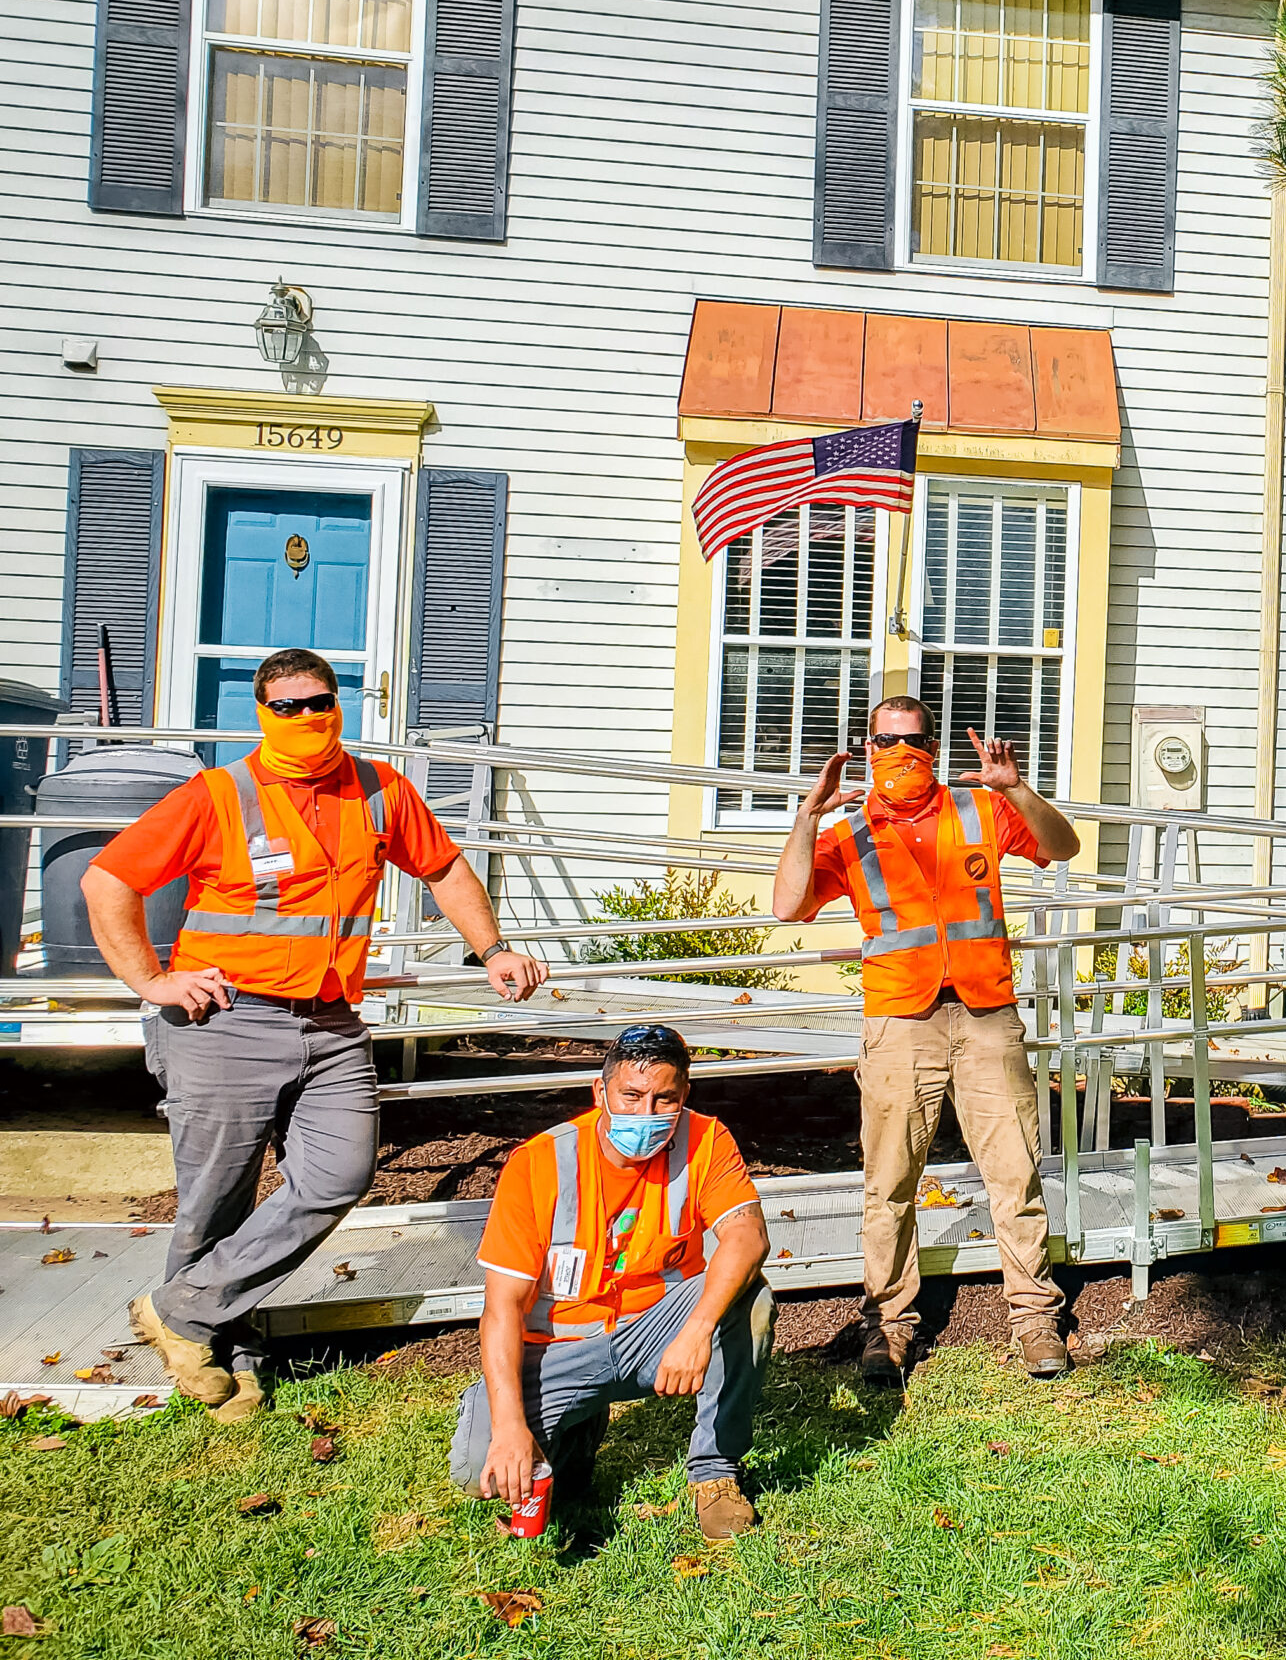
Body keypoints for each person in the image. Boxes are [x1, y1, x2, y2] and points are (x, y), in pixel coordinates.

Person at [84, 648, 545, 1422]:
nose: (307, 718)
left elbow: (447, 870)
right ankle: (234, 1358)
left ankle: (181, 1312)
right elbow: (108, 880)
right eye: (288, 707)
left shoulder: (379, 790)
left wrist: (493, 947)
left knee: (337, 1176)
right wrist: (152, 981)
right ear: (262, 714)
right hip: (224, 1020)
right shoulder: (218, 795)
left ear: (340, 702)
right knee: (214, 1201)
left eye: (319, 701)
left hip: (331, 1023)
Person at [771, 697, 1082, 1381]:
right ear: (868, 747)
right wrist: (807, 816)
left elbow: (1062, 847)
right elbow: (788, 905)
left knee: (1015, 1174)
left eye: (913, 740)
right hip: (899, 1023)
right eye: (886, 740)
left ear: (934, 747)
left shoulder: (979, 808)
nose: (901, 752)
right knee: (889, 1184)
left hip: (985, 1016)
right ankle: (887, 1326)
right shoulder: (847, 833)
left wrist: (1017, 789)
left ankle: (1035, 1320)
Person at [451, 1025, 772, 1539]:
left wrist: (696, 1332)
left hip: (655, 1332)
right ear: (600, 1092)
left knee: (749, 1297)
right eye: (632, 1096)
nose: (647, 1115)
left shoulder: (705, 1139)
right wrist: (510, 1424)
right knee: (477, 1472)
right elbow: (502, 1309)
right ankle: (574, 1432)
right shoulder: (539, 1163)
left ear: (683, 1095)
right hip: (559, 1349)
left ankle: (715, 1471)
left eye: (664, 1099)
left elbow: (748, 1237)